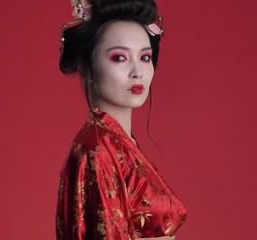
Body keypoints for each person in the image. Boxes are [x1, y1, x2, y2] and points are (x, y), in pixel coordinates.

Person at [55, 0, 186, 239]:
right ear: (87, 68)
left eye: (145, 58)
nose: (137, 71)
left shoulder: (116, 142)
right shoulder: (97, 149)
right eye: (119, 57)